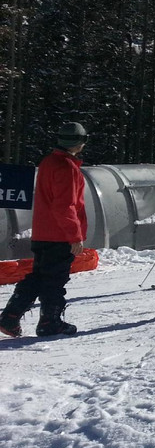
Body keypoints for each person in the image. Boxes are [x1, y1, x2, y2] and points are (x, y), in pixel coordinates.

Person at [0, 122, 89, 337]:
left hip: (43, 232)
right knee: (55, 280)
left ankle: (10, 317)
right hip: (59, 235)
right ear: (79, 142)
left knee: (39, 276)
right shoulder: (67, 167)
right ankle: (49, 322)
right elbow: (65, 205)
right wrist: (75, 236)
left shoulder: (48, 162)